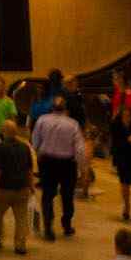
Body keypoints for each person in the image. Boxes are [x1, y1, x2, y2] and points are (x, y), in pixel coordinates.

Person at [36, 96, 86, 243]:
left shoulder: (42, 120)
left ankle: (48, 227)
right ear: (66, 110)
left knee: (48, 195)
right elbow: (80, 149)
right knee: (67, 195)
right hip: (67, 164)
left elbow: (35, 140)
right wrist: (83, 169)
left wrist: (39, 153)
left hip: (48, 162)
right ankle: (66, 224)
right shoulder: (73, 124)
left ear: (51, 108)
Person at [0, 119, 38, 257]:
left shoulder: (0, 147)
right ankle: (20, 245)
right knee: (21, 217)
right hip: (22, 188)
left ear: (4, 132)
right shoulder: (25, 147)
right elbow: (29, 169)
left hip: (5, 188)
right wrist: (31, 186)